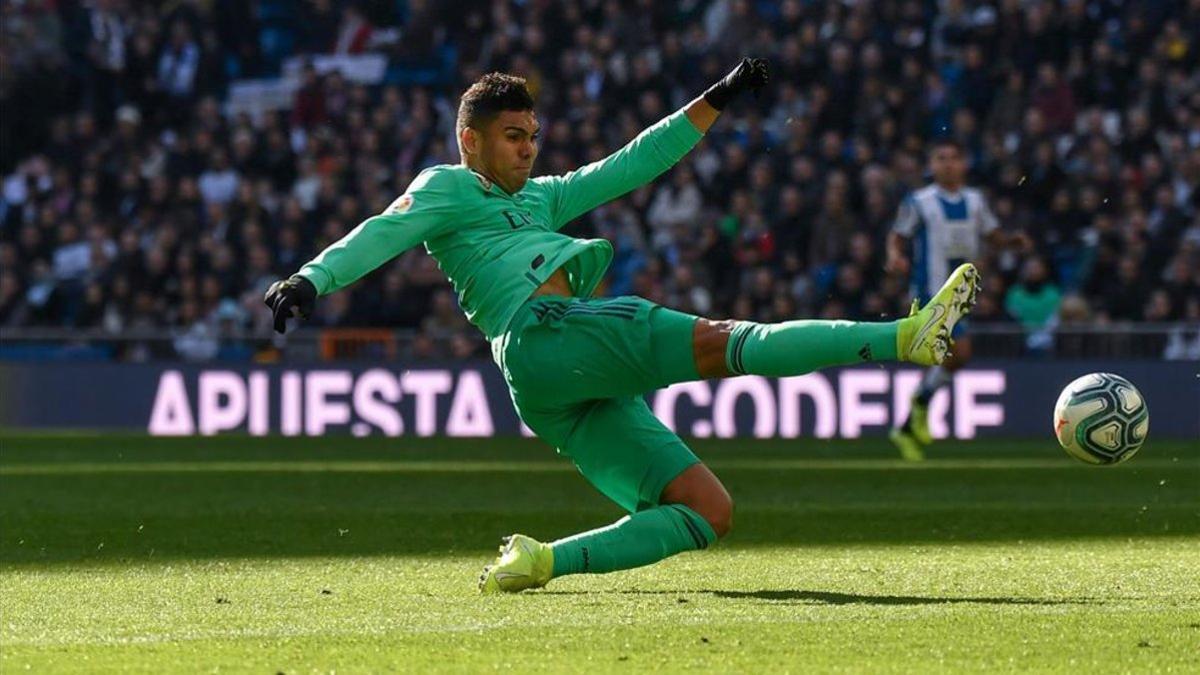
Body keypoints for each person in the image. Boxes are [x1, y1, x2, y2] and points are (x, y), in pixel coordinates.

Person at [265, 61, 980, 593]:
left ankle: (541, 558)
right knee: (735, 341)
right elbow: (381, 232)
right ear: (469, 140)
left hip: (546, 380)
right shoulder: (447, 186)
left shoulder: (540, 198)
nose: (528, 148)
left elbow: (633, 162)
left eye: (533, 135)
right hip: (546, 329)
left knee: (706, 510)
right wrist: (310, 278)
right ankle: (903, 337)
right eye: (512, 136)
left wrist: (716, 100)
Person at [885, 138, 1026, 461]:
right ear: (930, 165)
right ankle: (916, 409)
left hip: (962, 293)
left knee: (955, 356)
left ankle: (911, 417)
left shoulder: (975, 201)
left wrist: (1008, 242)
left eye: (953, 158)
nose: (947, 164)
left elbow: (991, 234)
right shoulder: (919, 201)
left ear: (964, 164)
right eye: (940, 157)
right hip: (929, 292)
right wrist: (894, 256)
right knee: (958, 351)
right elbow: (898, 234)